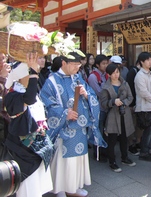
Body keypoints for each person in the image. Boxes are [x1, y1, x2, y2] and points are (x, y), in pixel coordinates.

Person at [40, 52, 107, 197]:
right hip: (64, 127)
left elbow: (92, 96)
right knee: (65, 161)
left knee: (78, 160)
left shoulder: (78, 78)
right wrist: (64, 113)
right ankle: (61, 189)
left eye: (79, 64)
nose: (78, 67)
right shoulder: (52, 81)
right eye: (75, 64)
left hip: (80, 126)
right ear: (64, 63)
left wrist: (86, 94)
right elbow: (46, 103)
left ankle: (75, 186)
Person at [4, 53, 54, 197]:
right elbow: (29, 99)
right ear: (20, 78)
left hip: (34, 143)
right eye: (29, 75)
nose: (33, 78)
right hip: (22, 145)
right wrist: (33, 71)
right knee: (27, 184)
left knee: (36, 183)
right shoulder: (12, 96)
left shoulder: (27, 92)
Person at [100, 63, 136, 172]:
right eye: (114, 73)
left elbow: (130, 97)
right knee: (112, 139)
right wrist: (113, 102)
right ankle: (112, 161)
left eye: (117, 72)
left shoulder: (124, 83)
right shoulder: (106, 87)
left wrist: (123, 102)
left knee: (124, 137)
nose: (116, 75)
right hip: (112, 115)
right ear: (109, 74)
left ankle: (124, 157)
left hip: (124, 113)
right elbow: (103, 102)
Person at [134, 52, 151, 162]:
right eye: (148, 60)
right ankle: (144, 151)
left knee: (150, 130)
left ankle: (147, 150)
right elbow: (143, 92)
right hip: (144, 107)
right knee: (147, 130)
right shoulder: (140, 75)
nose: (150, 62)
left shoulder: (150, 74)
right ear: (142, 62)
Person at [88, 54, 109, 161]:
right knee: (98, 130)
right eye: (103, 63)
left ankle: (104, 150)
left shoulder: (106, 75)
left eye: (107, 63)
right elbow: (99, 93)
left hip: (106, 107)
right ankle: (97, 153)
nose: (106, 66)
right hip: (98, 108)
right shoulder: (93, 77)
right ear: (97, 65)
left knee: (105, 130)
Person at [125, 59, 142, 156]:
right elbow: (131, 88)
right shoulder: (133, 72)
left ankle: (136, 143)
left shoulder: (141, 73)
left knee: (137, 125)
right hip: (132, 104)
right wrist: (131, 103)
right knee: (132, 124)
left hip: (137, 103)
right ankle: (131, 145)